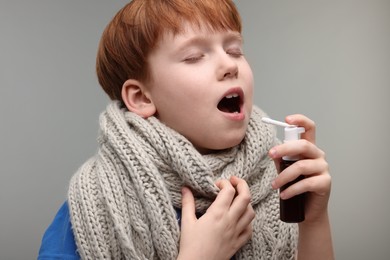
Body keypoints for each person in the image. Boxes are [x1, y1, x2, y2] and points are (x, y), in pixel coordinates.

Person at [38, 0, 334, 259]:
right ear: (142, 98)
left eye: (234, 50)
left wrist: (313, 221)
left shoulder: (277, 182)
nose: (229, 66)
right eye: (194, 57)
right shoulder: (96, 206)